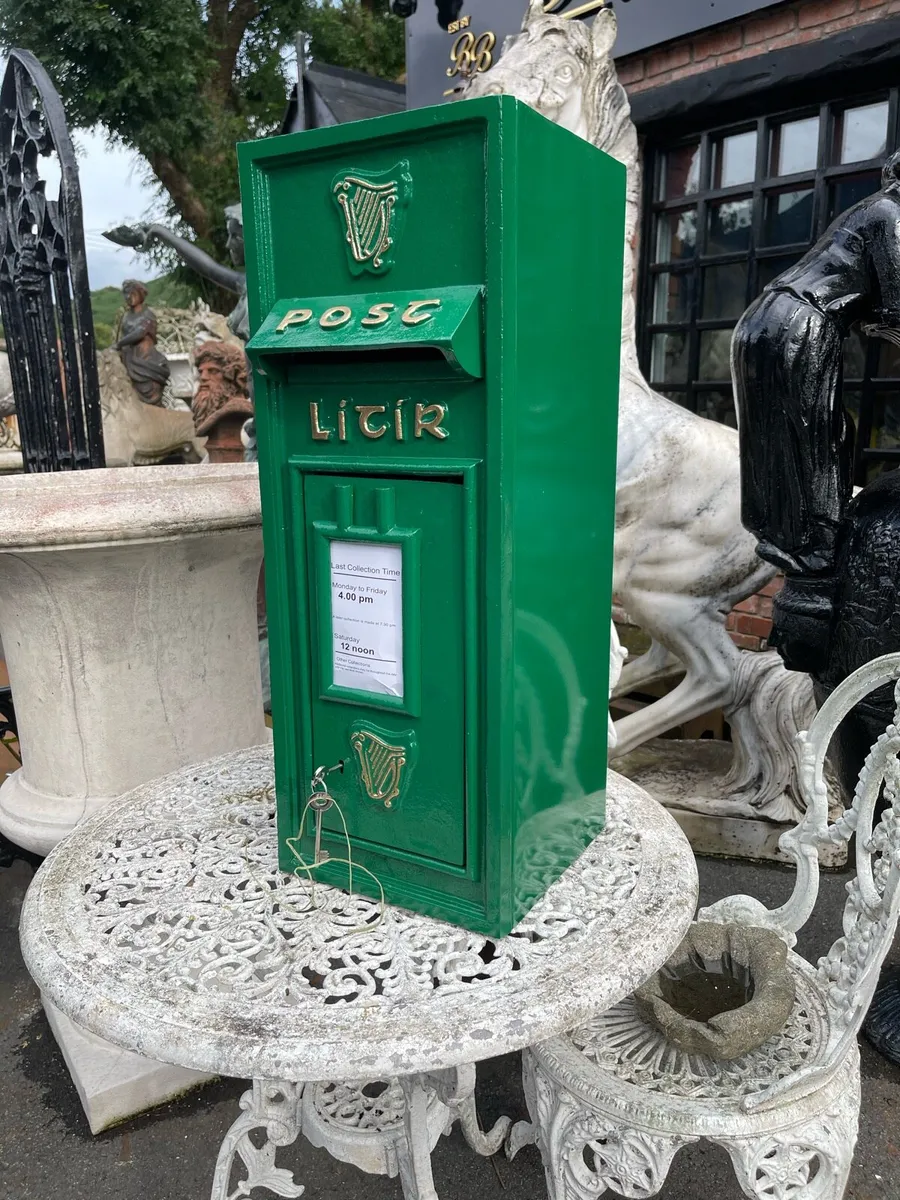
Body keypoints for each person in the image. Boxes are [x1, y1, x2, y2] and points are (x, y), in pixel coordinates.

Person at [733, 150, 900, 1063]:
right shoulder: (886, 223)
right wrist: (811, 548)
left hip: (871, 537)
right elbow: (788, 327)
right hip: (793, 358)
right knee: (879, 760)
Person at [113, 280, 171, 406]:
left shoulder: (148, 315)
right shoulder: (126, 316)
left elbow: (140, 332)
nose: (128, 297)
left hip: (145, 361)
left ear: (140, 294)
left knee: (151, 395)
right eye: (125, 294)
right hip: (128, 360)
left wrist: (119, 344)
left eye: (132, 293)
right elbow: (121, 334)